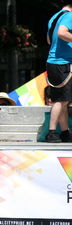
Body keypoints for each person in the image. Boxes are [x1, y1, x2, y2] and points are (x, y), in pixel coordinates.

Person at [46, 0, 72, 143]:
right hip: (62, 63)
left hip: (54, 62)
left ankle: (65, 132)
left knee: (63, 99)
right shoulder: (70, 16)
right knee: (61, 100)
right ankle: (51, 132)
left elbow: (49, 40)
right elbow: (62, 33)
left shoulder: (55, 17)